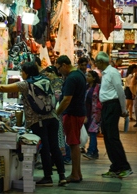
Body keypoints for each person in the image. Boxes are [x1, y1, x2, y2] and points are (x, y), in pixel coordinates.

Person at [0, 62, 67, 187]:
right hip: (53, 118)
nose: (21, 74)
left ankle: (48, 178)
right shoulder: (46, 80)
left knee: (45, 149)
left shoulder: (26, 84)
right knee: (55, 147)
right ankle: (62, 176)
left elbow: (4, 88)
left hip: (38, 120)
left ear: (27, 72)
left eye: (22, 72)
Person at [94, 52, 134, 178]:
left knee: (112, 137)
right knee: (108, 136)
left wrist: (123, 109)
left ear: (102, 62)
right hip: (107, 106)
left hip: (113, 106)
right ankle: (115, 166)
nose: (95, 64)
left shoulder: (112, 73)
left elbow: (120, 92)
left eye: (97, 62)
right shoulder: (105, 74)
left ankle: (124, 166)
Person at [55, 55, 87, 183]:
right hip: (78, 112)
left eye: (59, 68)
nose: (59, 71)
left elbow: (66, 99)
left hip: (73, 113)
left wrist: (57, 113)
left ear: (64, 65)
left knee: (73, 144)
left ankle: (75, 174)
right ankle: (77, 173)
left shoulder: (72, 78)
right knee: (75, 143)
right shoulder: (79, 74)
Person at [82, 70, 101, 160]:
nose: (87, 77)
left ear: (94, 78)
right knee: (91, 132)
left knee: (92, 132)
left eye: (89, 76)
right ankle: (95, 152)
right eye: (87, 76)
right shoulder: (86, 87)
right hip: (88, 112)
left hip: (96, 113)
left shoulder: (98, 87)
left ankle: (90, 151)